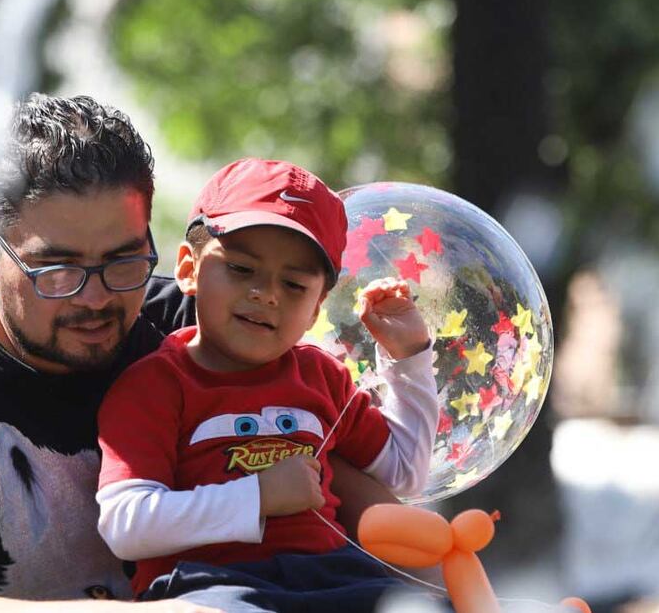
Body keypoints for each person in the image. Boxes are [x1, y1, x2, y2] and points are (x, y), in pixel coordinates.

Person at [0, 94, 401, 613]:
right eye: (56, 267)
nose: (96, 298)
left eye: (123, 260)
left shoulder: (191, 326)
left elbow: (324, 461)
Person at [96, 158, 445, 612]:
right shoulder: (154, 384)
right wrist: (256, 497)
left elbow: (404, 470)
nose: (268, 294)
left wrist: (408, 356)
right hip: (213, 587)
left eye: (295, 285)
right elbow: (126, 525)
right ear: (188, 268)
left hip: (333, 576)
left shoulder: (322, 377)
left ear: (317, 308)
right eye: (242, 269)